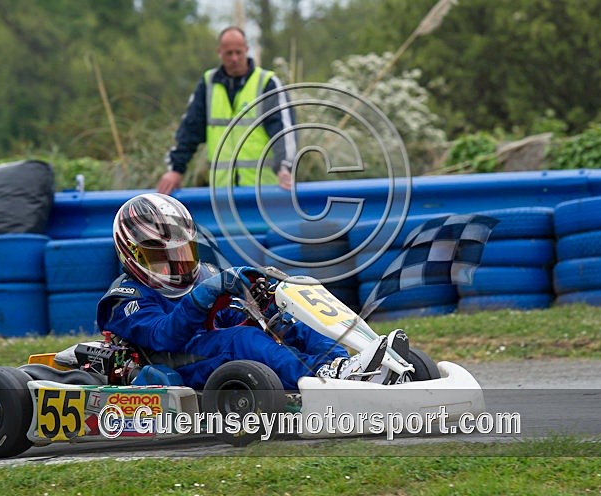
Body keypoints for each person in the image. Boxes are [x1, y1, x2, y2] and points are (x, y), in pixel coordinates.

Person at [96, 193, 405, 391]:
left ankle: (347, 366)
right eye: (161, 259)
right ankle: (324, 378)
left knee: (291, 325)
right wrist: (204, 296)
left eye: (181, 254)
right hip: (175, 361)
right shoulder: (123, 298)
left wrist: (264, 307)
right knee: (244, 340)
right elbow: (163, 336)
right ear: (131, 255)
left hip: (212, 349)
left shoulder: (205, 274)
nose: (176, 267)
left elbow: (229, 315)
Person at [158, 26, 295, 194]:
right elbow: (190, 130)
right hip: (222, 195)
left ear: (247, 50)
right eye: (228, 53)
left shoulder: (267, 83)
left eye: (239, 52)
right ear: (219, 52)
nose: (235, 58)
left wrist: (284, 167)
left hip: (263, 191)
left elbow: (284, 131)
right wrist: (176, 170)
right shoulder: (208, 85)